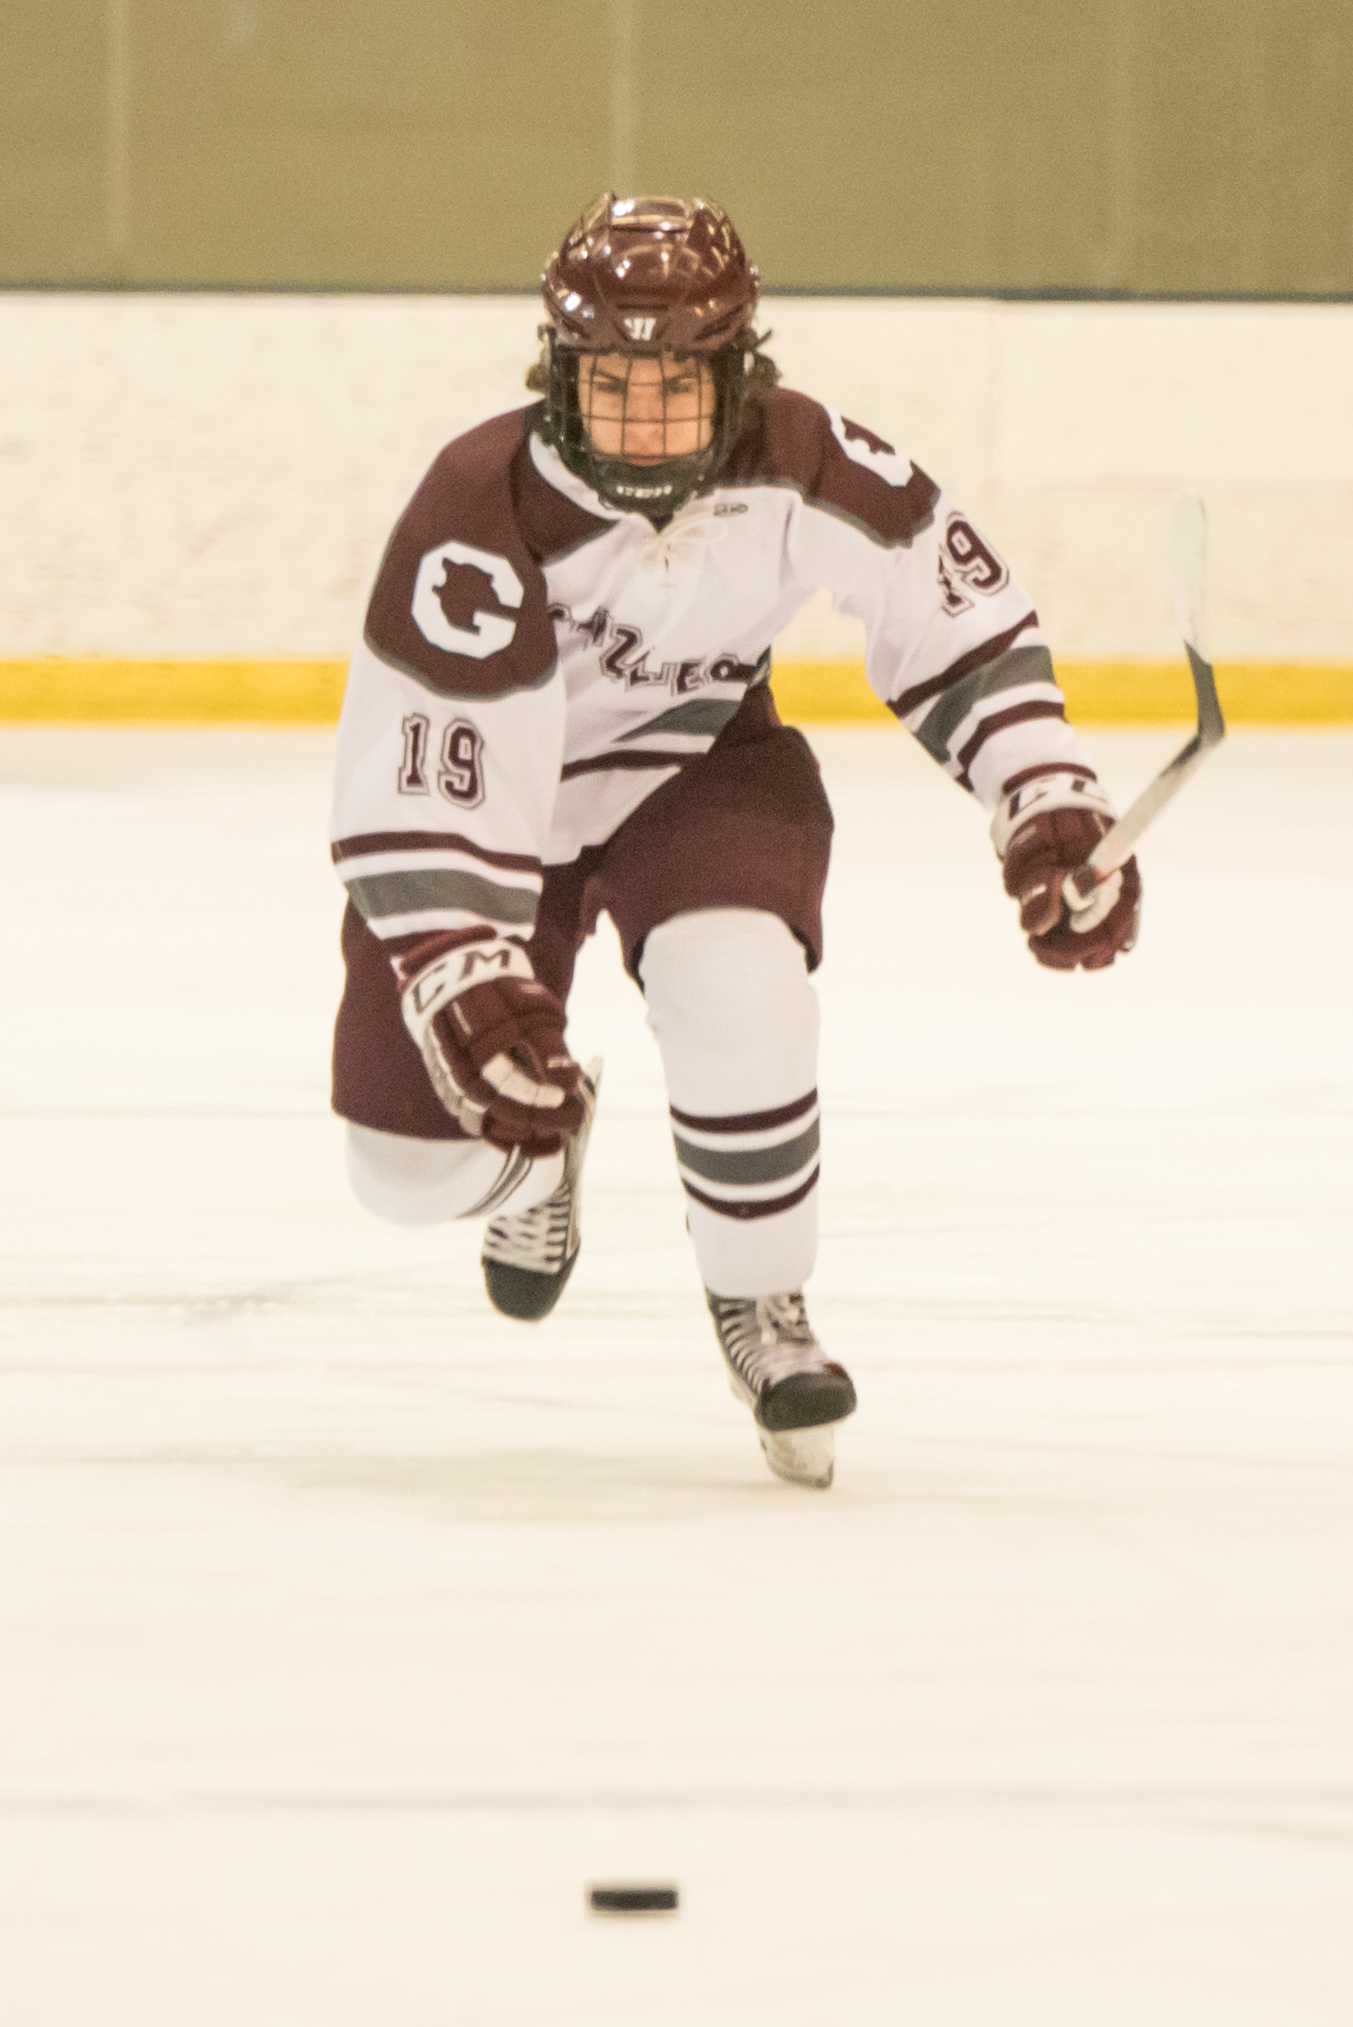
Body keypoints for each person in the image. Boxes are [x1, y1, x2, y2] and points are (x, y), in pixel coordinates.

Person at [329, 193, 1140, 1490]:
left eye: (676, 386)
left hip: (698, 774)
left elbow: (952, 612)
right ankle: (541, 1159)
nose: (644, 423)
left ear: (737, 371)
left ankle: (762, 1302)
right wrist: (453, 961)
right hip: (506, 824)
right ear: (558, 376)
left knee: (739, 981)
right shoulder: (478, 501)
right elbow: (421, 756)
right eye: (611, 385)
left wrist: (1042, 792)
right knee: (405, 1171)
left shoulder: (803, 456)